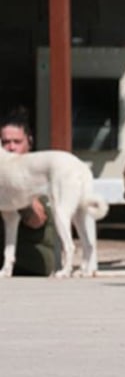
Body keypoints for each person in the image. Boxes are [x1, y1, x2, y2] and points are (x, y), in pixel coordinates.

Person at [0, 108, 57, 276]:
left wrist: (18, 192)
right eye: (5, 142)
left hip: (33, 263)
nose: (11, 147)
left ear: (29, 142)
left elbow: (37, 220)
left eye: (17, 142)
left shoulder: (40, 169)